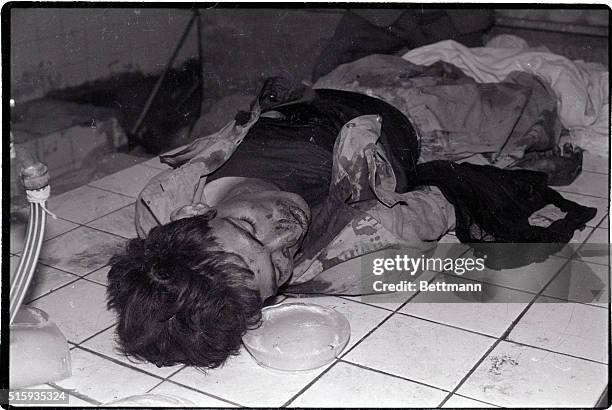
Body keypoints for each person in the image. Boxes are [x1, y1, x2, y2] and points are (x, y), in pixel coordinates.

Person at [107, 68, 595, 369]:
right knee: (536, 94)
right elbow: (439, 209)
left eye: (252, 229)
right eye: (280, 267)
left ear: (195, 213)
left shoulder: (162, 205)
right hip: (409, 121)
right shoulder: (357, 251)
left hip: (325, 90)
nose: (288, 235)